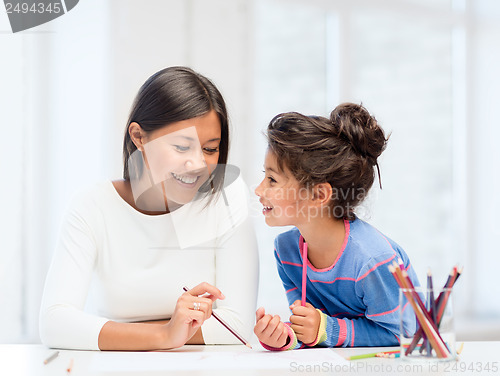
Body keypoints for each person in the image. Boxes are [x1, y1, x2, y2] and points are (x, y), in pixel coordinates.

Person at [39, 66, 259, 351]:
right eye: (181, 147)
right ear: (139, 137)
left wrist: (114, 332)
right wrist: (166, 334)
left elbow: (238, 326)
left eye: (210, 149)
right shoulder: (92, 206)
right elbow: (55, 323)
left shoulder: (226, 198)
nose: (197, 164)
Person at [254, 103, 420, 350]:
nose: (258, 190)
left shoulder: (372, 260)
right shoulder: (287, 251)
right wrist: (285, 337)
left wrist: (324, 330)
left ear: (319, 194)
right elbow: (311, 327)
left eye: (272, 180)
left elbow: (403, 333)